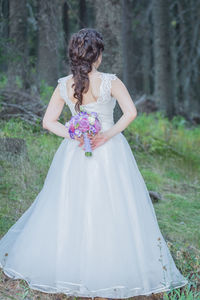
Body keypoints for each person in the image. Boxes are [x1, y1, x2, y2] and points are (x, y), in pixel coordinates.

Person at [0, 28, 188, 300]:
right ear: (98, 54)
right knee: (113, 205)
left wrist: (74, 134)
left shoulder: (64, 84)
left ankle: (71, 264)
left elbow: (48, 122)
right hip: (110, 151)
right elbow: (131, 112)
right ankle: (112, 265)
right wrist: (105, 135)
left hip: (74, 152)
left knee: (71, 204)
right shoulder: (111, 81)